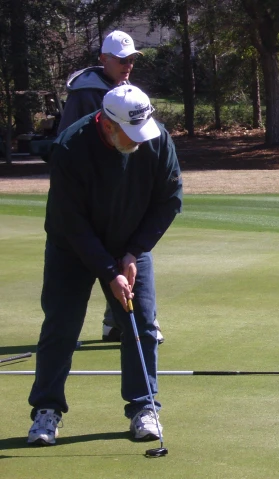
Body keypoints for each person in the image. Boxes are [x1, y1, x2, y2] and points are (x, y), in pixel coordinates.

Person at [27, 85, 182, 446]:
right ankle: (46, 411)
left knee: (141, 324)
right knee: (61, 325)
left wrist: (133, 253)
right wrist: (108, 271)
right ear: (108, 125)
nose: (139, 141)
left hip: (129, 245)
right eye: (131, 133)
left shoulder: (156, 140)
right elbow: (72, 221)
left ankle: (144, 407)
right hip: (72, 247)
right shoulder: (70, 146)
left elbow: (169, 201)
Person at [57, 30, 164, 344]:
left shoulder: (128, 91)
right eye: (121, 59)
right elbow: (67, 144)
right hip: (91, 196)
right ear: (103, 59)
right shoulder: (84, 94)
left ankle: (117, 323)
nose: (127, 64)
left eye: (131, 59)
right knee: (94, 257)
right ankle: (70, 328)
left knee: (130, 255)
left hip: (126, 193)